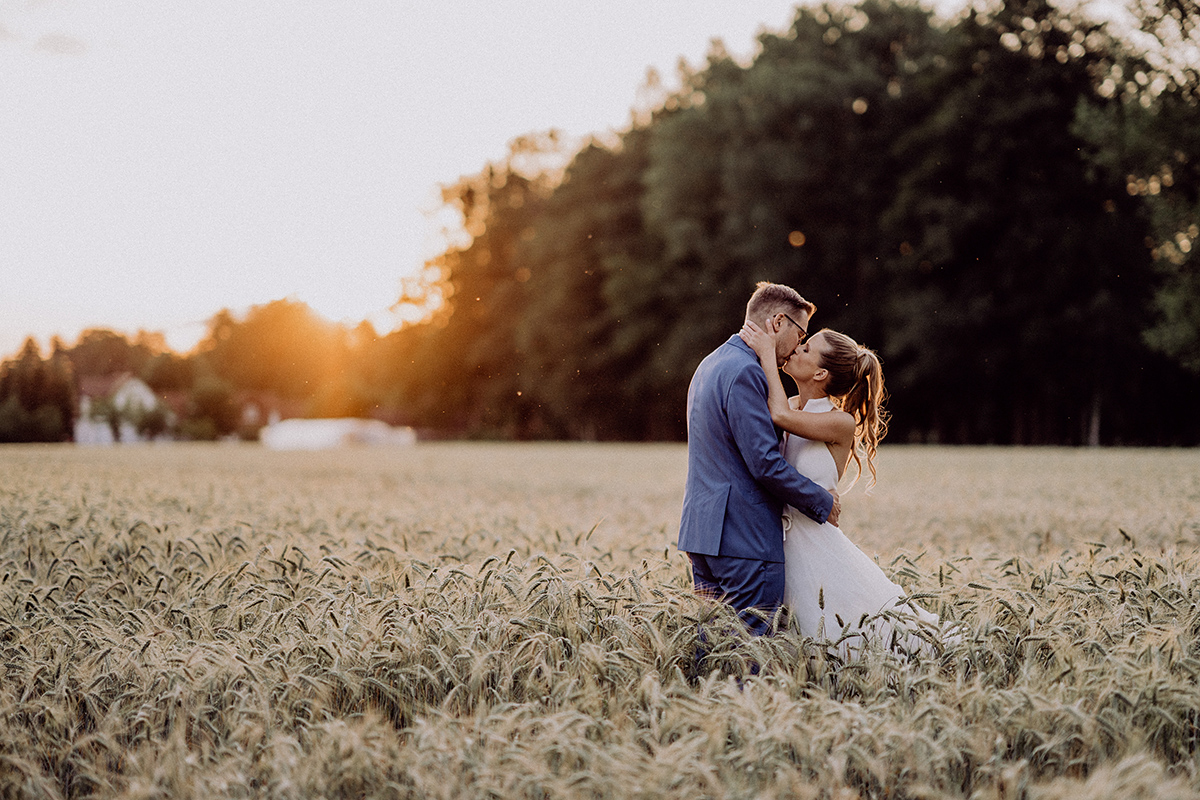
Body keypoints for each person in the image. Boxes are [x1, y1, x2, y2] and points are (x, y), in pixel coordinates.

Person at [739, 318, 953, 657]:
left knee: (848, 639)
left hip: (815, 545)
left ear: (821, 374)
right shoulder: (791, 405)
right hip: (780, 544)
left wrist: (767, 352)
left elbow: (778, 415)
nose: (796, 348)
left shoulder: (840, 422)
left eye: (807, 348)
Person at [678, 282, 840, 637]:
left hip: (703, 536)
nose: (799, 345)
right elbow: (763, 462)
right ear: (778, 322)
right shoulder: (747, 372)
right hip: (744, 540)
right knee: (748, 658)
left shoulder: (711, 363)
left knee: (713, 653)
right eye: (801, 334)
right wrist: (820, 500)